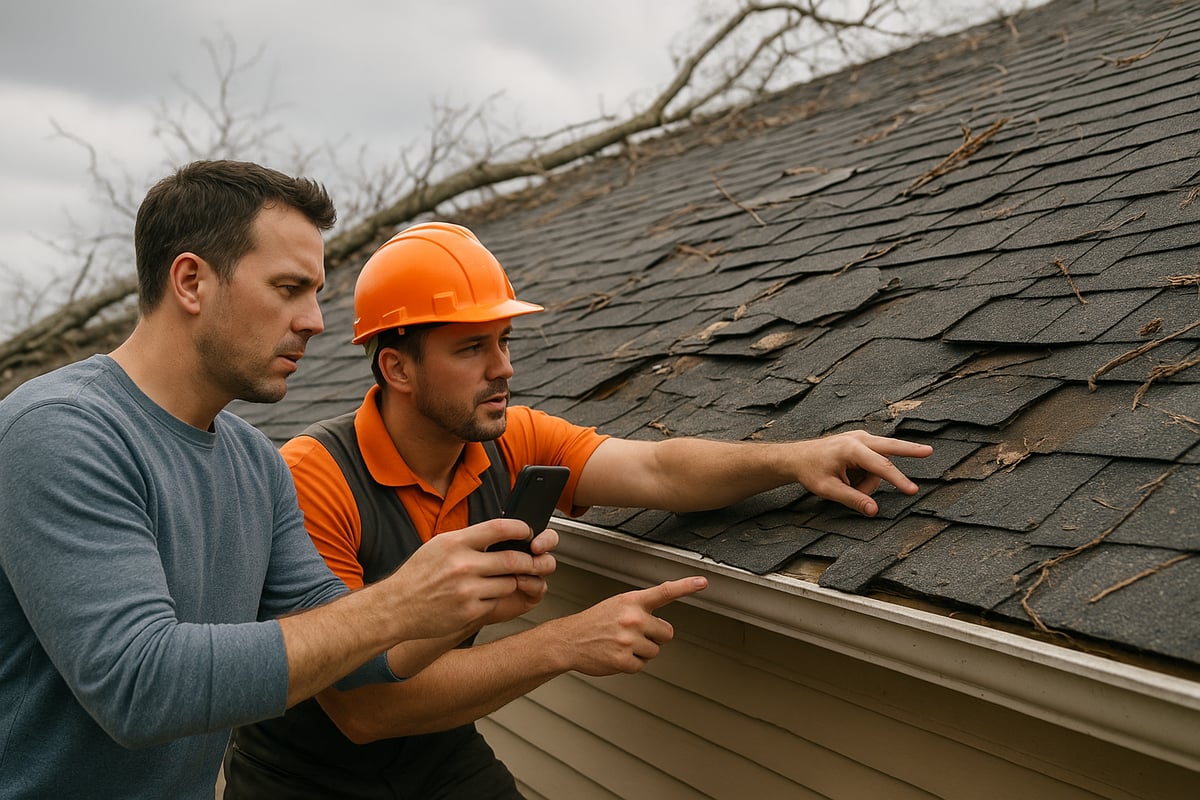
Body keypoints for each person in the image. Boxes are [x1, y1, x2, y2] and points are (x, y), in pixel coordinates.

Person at [225, 222, 933, 798]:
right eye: (472, 348)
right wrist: (564, 642)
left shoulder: (511, 443)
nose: (502, 367)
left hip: (435, 755)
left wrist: (793, 457)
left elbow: (658, 468)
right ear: (398, 368)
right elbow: (366, 710)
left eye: (504, 341)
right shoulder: (313, 479)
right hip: (303, 778)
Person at [0, 164, 555, 799]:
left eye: (315, 292)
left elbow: (350, 649)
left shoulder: (254, 461)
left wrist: (459, 597)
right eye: (288, 288)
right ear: (191, 281)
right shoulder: (63, 431)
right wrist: (400, 601)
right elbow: (140, 687)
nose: (316, 320)